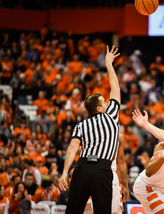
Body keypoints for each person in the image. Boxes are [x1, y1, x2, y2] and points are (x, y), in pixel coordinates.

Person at [58, 45, 121, 214]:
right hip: (102, 169)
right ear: (99, 109)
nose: (108, 103)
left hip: (82, 168)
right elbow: (115, 87)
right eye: (104, 102)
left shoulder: (81, 125)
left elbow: (72, 148)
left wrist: (64, 173)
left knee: (73, 211)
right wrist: (109, 63)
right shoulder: (112, 115)